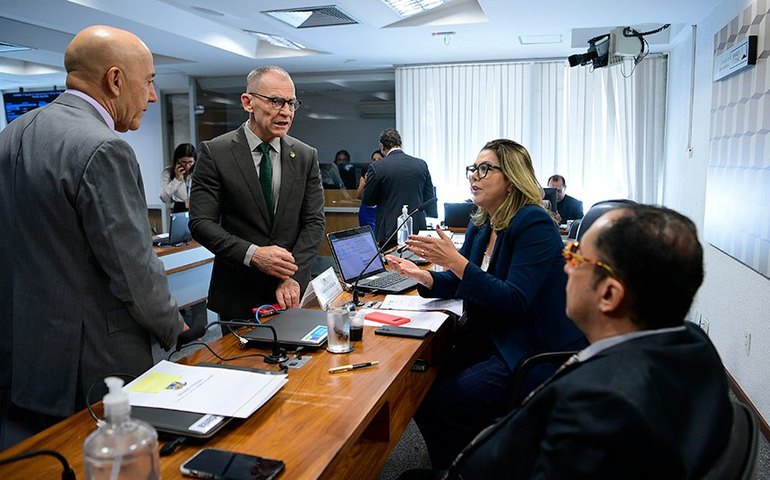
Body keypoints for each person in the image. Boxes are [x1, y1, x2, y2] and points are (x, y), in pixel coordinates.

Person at [430, 204, 732, 479]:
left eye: (576, 256)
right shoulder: (695, 342)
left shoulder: (597, 407)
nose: (565, 267)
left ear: (609, 295)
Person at [0, 25, 186, 449]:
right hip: (91, 368)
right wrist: (173, 327)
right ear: (116, 79)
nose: (153, 96)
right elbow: (133, 270)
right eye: (150, 81)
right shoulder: (104, 148)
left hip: (22, 358)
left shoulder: (11, 136)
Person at [386, 139, 587, 469]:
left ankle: (476, 466)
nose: (473, 177)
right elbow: (465, 279)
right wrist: (423, 278)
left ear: (511, 177)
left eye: (484, 169)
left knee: (443, 402)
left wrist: (455, 262)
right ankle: (457, 463)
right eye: (472, 169)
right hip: (491, 336)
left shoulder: (533, 223)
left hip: (529, 347)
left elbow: (514, 300)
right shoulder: (483, 223)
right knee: (418, 390)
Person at [189, 65, 325, 324]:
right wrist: (253, 254)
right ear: (247, 102)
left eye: (291, 103)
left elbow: (314, 222)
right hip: (238, 294)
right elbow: (201, 223)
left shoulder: (306, 155)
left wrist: (292, 277)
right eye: (275, 101)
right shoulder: (215, 153)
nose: (285, 112)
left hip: (290, 293)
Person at [362, 128, 437, 249]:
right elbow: (429, 198)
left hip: (389, 234)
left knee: (392, 266)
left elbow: (368, 200)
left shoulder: (377, 167)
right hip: (418, 231)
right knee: (417, 267)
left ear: (382, 146)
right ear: (400, 144)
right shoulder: (421, 164)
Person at [160, 143, 196, 212]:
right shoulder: (168, 172)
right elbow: (164, 198)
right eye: (183, 162)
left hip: (197, 208)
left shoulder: (199, 172)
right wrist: (177, 179)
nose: (187, 166)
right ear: (177, 161)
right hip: (179, 208)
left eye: (190, 162)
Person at [356, 149, 383, 231]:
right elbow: (358, 195)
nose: (376, 162)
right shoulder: (366, 174)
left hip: (379, 210)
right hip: (367, 210)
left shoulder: (387, 174)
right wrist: (365, 181)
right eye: (374, 160)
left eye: (379, 159)